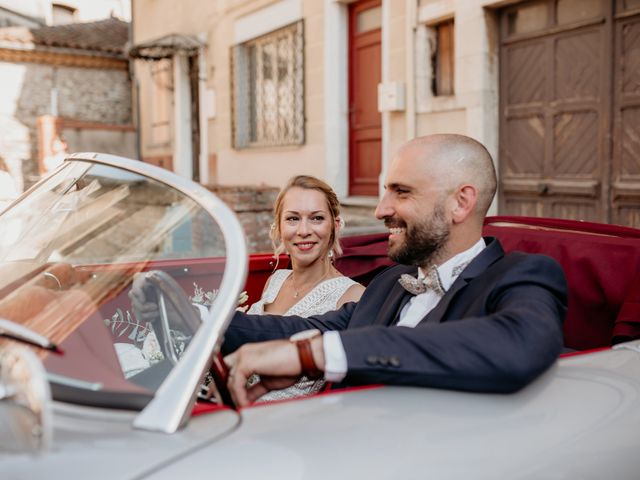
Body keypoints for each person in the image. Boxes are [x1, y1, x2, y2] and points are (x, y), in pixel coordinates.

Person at [223, 133, 568, 407]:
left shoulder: (523, 276)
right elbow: (303, 327)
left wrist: (313, 355)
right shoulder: (390, 282)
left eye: (401, 192)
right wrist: (196, 320)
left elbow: (518, 343)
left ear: (460, 203)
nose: (380, 210)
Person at [246, 175, 364, 400]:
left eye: (317, 218)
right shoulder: (276, 280)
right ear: (279, 227)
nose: (303, 230)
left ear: (335, 226)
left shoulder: (352, 296)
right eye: (292, 219)